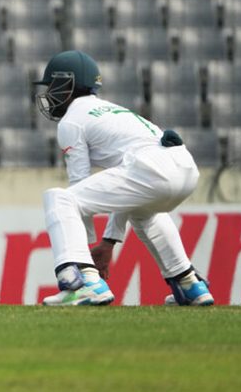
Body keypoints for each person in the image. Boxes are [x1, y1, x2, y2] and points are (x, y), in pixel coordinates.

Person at [34, 50, 213, 306]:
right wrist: (108, 243)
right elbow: (128, 189)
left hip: (152, 168)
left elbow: (79, 184)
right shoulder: (110, 109)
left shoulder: (71, 121)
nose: (50, 93)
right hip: (184, 167)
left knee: (60, 199)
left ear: (69, 83)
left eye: (53, 86)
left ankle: (86, 283)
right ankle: (189, 284)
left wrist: (85, 255)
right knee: (144, 212)